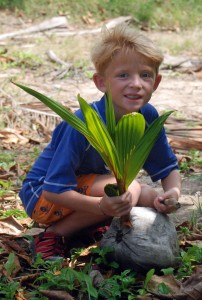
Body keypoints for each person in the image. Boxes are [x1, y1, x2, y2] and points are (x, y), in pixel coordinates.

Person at [19, 24, 181, 260]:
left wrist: (173, 193)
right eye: (123, 75)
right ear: (101, 82)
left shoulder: (147, 117)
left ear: (155, 82)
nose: (136, 83)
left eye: (145, 75)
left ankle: (88, 227)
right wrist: (101, 208)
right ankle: (54, 235)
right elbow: (53, 190)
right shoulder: (84, 122)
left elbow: (168, 168)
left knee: (146, 195)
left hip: (88, 189)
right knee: (130, 188)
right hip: (43, 196)